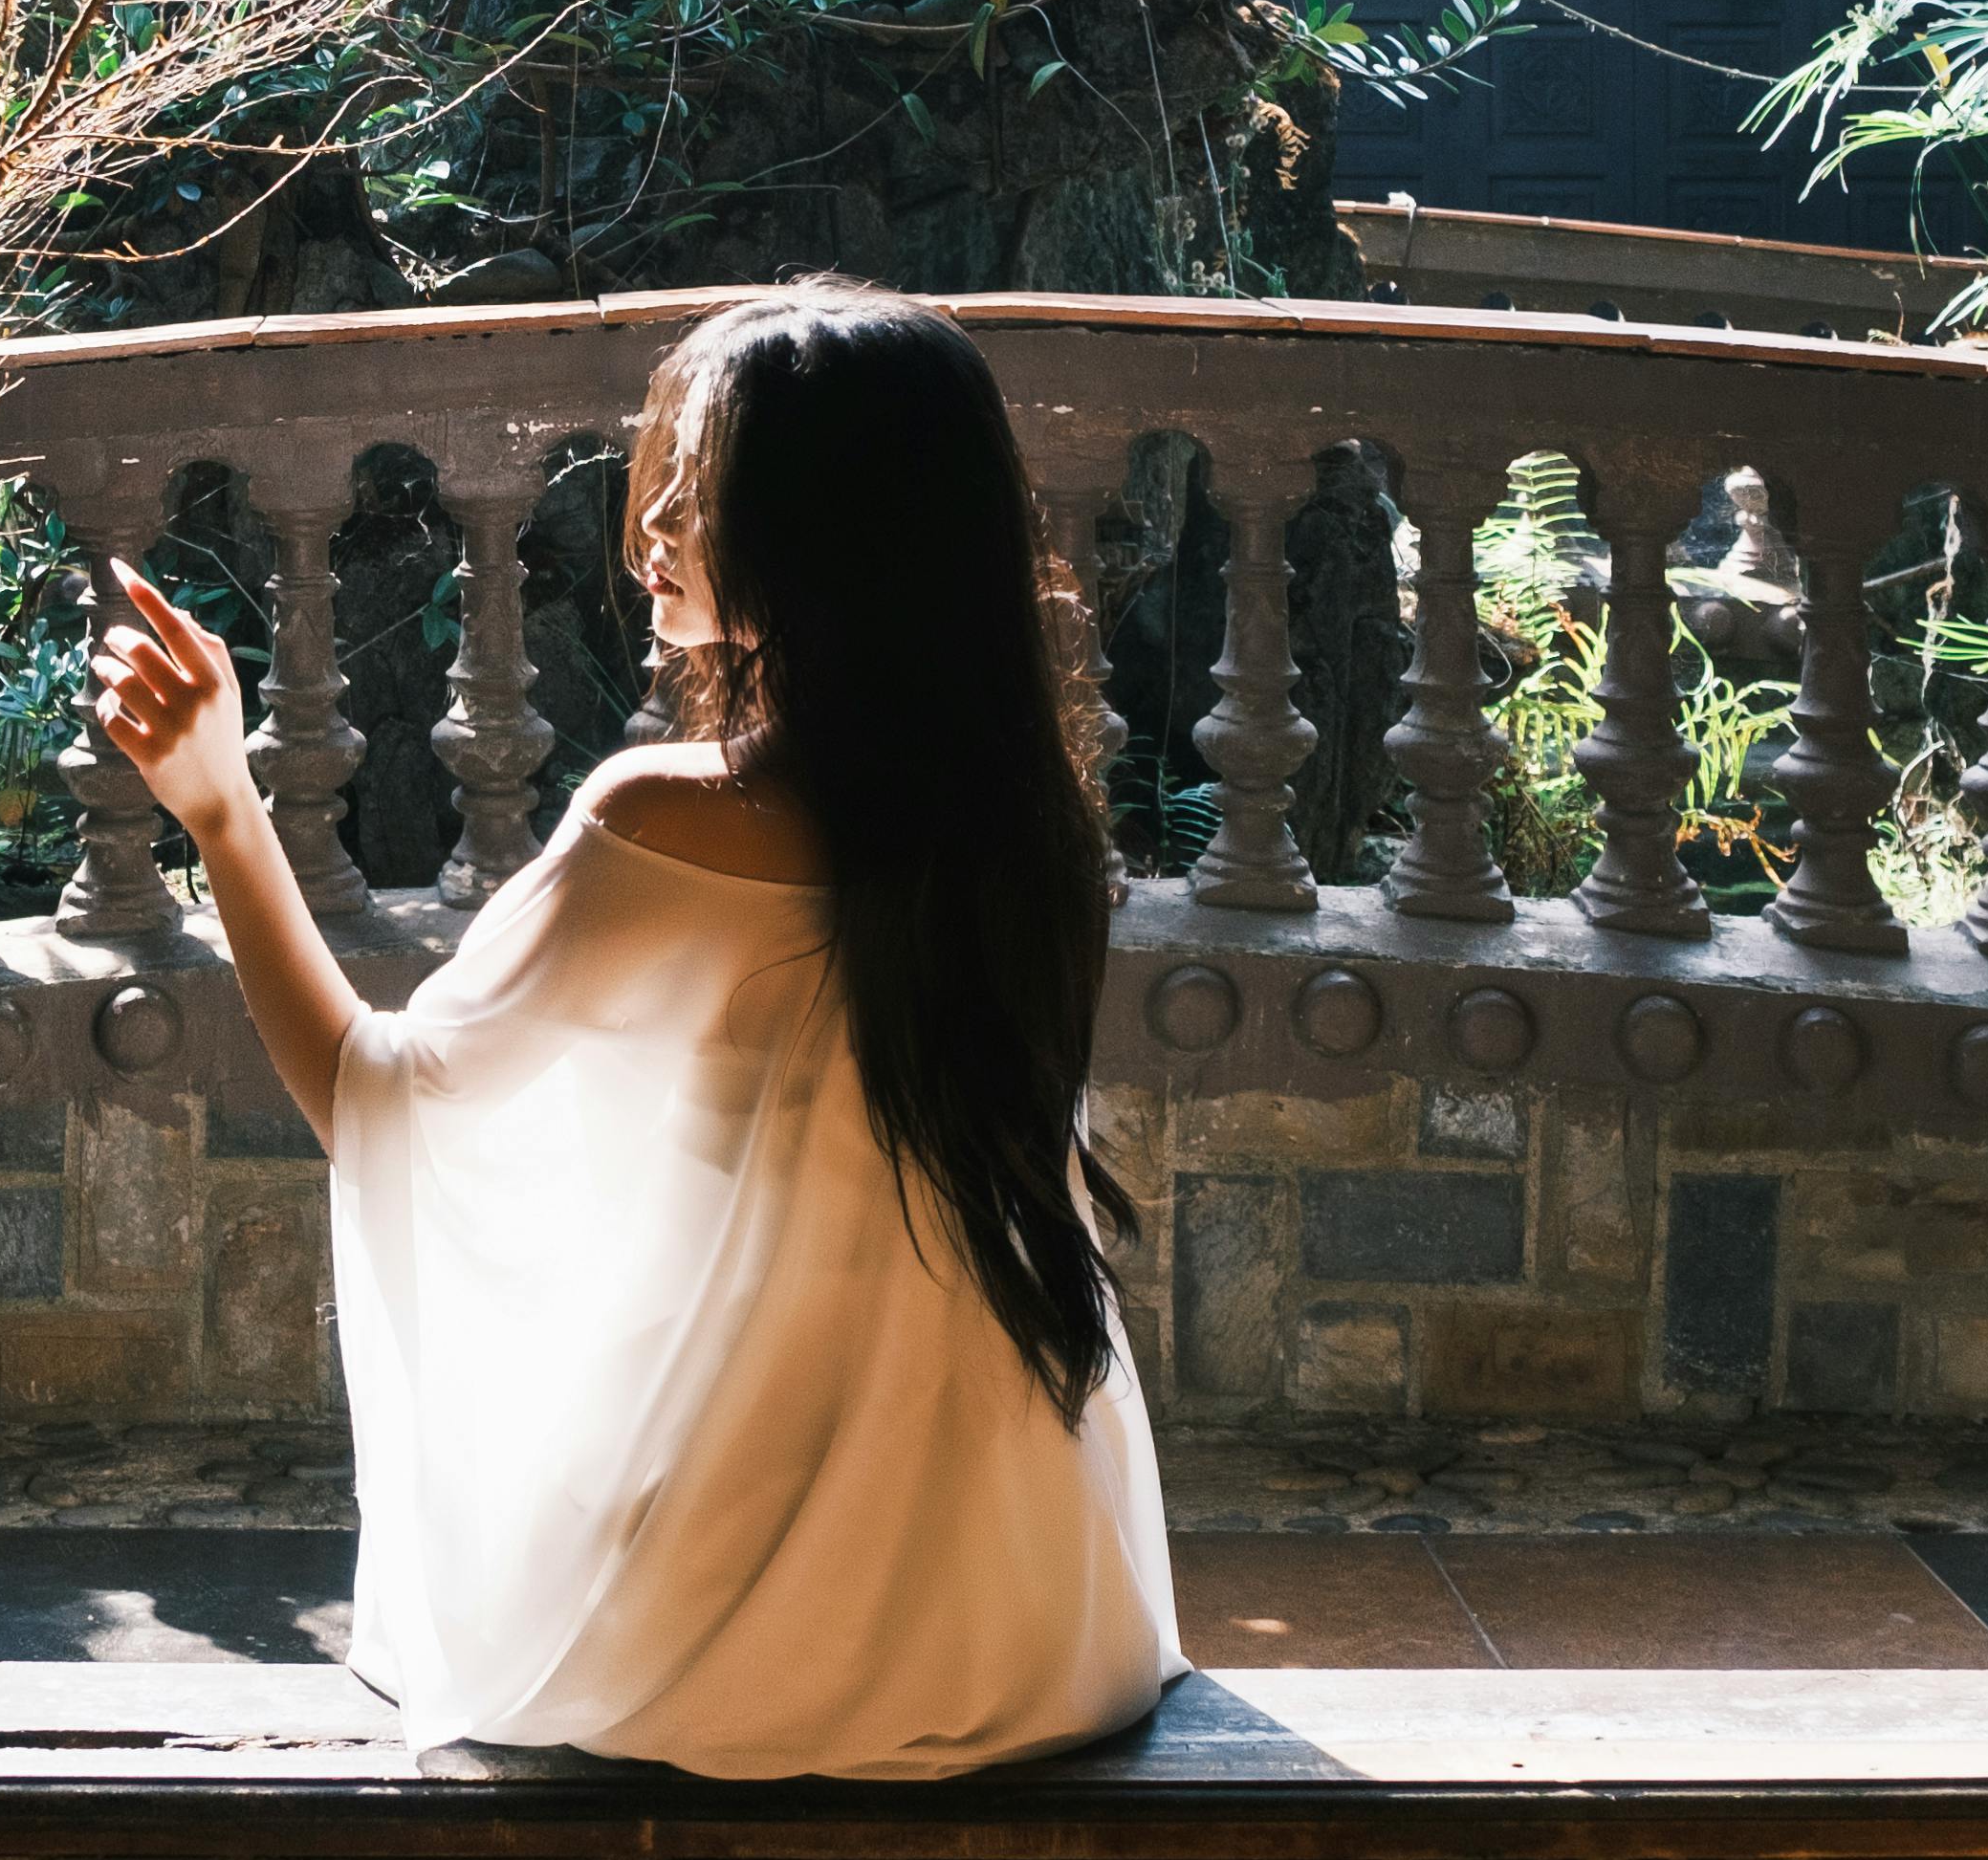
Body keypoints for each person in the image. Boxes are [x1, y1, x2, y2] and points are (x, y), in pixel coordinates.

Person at [90, 283, 1181, 1779]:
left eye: (704, 477)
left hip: (775, 1635)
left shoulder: (664, 823)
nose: (654, 512)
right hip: (1043, 1609)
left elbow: (376, 1097)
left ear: (826, 529)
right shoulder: (1029, 834)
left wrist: (220, 807)